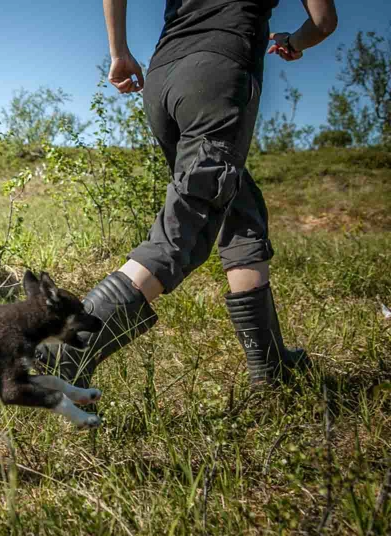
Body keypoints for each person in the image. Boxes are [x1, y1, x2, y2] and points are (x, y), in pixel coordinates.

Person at [37, 0, 338, 387]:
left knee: (237, 205)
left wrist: (119, 51)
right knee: (185, 225)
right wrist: (294, 41)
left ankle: (270, 363)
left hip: (164, 77)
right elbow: (324, 21)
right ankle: (70, 348)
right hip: (217, 73)